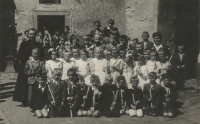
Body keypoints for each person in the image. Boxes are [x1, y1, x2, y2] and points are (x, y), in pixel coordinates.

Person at [13, 28, 44, 107]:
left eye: (33, 34)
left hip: (36, 65)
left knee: (35, 83)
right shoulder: (24, 44)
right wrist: (28, 58)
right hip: (25, 65)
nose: (32, 36)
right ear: (28, 34)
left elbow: (42, 55)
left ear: (36, 35)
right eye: (30, 34)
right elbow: (20, 55)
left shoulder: (39, 44)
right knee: (24, 83)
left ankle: (34, 100)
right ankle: (24, 100)